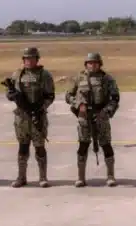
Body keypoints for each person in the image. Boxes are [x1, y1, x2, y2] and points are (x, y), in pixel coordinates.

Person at [65, 52, 120, 187]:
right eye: (90, 63)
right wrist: (78, 105)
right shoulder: (79, 78)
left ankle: (110, 176)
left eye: (95, 63)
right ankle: (81, 177)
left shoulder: (107, 79)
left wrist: (106, 111)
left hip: (101, 116)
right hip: (84, 118)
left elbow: (115, 98)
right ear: (86, 64)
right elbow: (68, 96)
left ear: (99, 64)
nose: (92, 65)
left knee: (106, 144)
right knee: (83, 145)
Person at [6, 47, 55, 187]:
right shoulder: (17, 74)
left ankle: (43, 178)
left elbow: (50, 96)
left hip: (38, 116)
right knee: (23, 147)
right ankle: (21, 177)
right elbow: (9, 93)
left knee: (39, 147)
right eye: (26, 59)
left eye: (32, 58)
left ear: (37, 59)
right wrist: (11, 95)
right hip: (21, 118)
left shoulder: (44, 75)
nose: (29, 61)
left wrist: (40, 109)